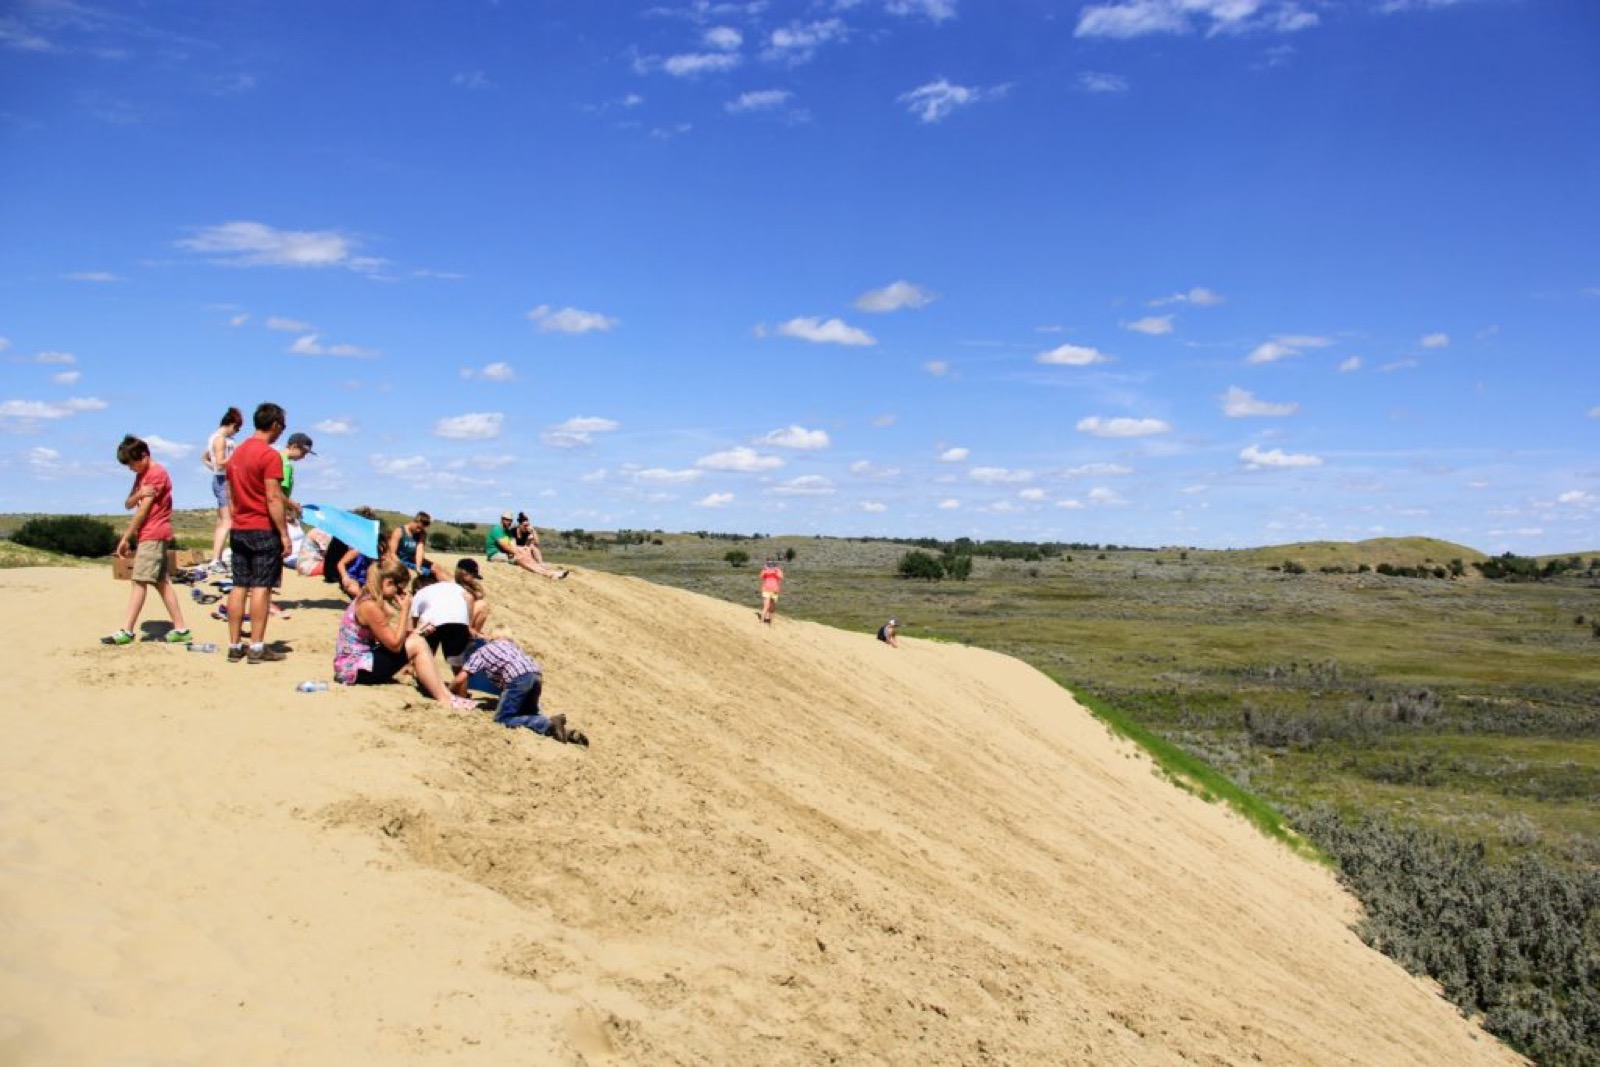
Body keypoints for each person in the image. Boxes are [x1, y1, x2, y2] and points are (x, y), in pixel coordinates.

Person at [332, 558, 475, 709]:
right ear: (388, 583)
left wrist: (417, 632)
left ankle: (446, 695)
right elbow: (394, 645)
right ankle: (445, 698)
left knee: (417, 639)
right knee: (418, 644)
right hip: (355, 669)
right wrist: (406, 610)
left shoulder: (367, 599)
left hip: (353, 664)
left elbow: (388, 638)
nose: (400, 594)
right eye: (399, 589)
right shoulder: (370, 607)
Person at [102, 435, 192, 646]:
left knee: (139, 581)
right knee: (162, 583)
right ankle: (181, 628)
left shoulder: (157, 473)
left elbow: (143, 510)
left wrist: (126, 538)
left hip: (154, 533)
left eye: (132, 463)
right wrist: (139, 493)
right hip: (149, 534)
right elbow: (129, 503)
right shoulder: (142, 476)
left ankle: (127, 630)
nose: (130, 468)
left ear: (143, 456)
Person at [224, 402, 292, 664]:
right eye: (282, 428)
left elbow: (230, 495)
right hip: (262, 527)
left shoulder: (237, 454)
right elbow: (273, 497)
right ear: (274, 425)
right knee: (261, 587)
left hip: (239, 527)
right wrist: (284, 534)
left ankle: (233, 645)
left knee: (239, 585)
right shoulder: (269, 455)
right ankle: (256, 646)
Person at [454, 633, 588, 745]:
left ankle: (549, 724)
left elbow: (461, 678)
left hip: (518, 678)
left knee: (503, 718)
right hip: (536, 674)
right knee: (529, 713)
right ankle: (569, 733)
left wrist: (448, 691)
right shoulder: (511, 647)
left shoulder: (482, 652)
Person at [409, 567, 474, 674]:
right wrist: (469, 625)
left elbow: (412, 626)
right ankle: (461, 689)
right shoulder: (451, 587)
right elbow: (470, 598)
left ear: (416, 589)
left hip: (433, 624)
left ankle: (423, 683)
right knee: (457, 664)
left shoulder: (420, 593)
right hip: (459, 622)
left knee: (425, 654)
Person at [203, 407, 242, 570]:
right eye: (237, 428)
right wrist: (238, 457)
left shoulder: (217, 438)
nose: (236, 432)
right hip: (224, 480)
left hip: (222, 478)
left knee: (222, 521)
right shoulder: (220, 439)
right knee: (228, 521)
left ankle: (216, 557)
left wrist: (214, 468)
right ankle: (215, 560)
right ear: (231, 424)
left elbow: (206, 458)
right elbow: (220, 461)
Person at [485, 510, 567, 580]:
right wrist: (517, 552)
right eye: (507, 520)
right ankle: (549, 574)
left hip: (505, 552)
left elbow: (513, 544)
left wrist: (522, 550)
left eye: (510, 520)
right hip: (494, 554)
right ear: (502, 519)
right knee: (520, 557)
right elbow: (505, 546)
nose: (509, 522)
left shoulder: (508, 532)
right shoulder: (497, 529)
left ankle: (547, 571)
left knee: (525, 552)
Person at [278, 432, 315, 524]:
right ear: (293, 447)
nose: (304, 456)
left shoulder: (275, 457)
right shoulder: (286, 465)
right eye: (303, 453)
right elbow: (277, 493)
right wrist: (294, 505)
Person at [455, 557, 491, 636]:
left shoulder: (466, 585)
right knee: (482, 605)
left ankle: (473, 633)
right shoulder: (459, 588)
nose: (474, 579)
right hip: (458, 623)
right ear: (464, 573)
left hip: (461, 621)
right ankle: (472, 636)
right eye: (473, 575)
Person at [759, 558, 784, 625]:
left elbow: (781, 577)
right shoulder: (765, 570)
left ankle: (771, 622)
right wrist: (764, 569)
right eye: (769, 563)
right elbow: (761, 577)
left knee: (772, 608)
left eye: (772, 563)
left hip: (774, 590)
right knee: (766, 606)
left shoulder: (777, 570)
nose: (770, 564)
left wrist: (776, 570)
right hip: (766, 590)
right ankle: (761, 622)